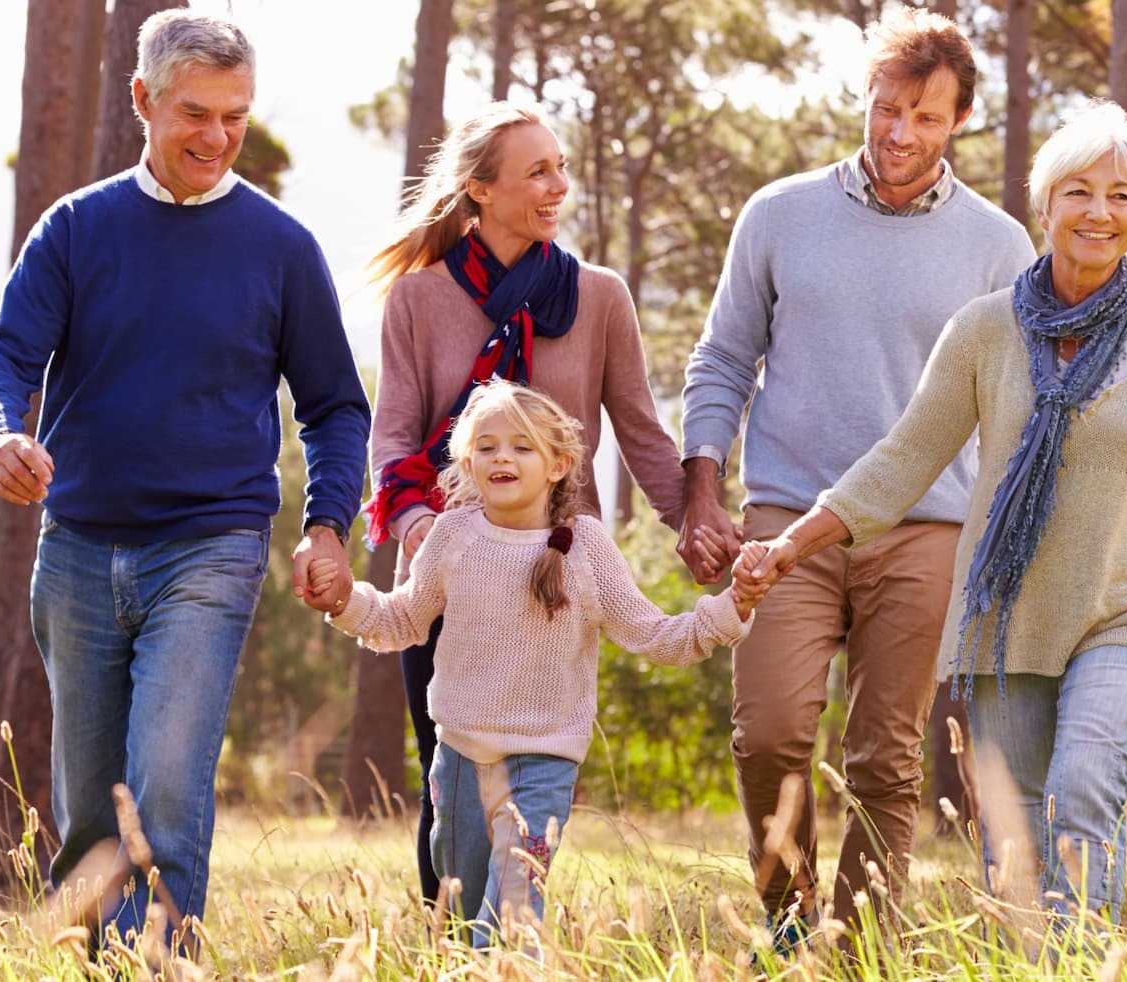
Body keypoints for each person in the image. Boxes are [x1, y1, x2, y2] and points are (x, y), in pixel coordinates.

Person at [741, 102, 1127, 925]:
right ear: (1046, 204)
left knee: (1083, 783)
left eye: (1121, 196)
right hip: (1010, 611)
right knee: (1016, 829)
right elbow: (902, 460)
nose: (1099, 212)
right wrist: (791, 542)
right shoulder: (985, 331)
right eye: (1078, 191)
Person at [0, 10, 369, 943]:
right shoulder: (75, 228)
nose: (219, 137)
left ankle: (161, 964)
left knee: (169, 788)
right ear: (142, 100)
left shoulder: (281, 248)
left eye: (235, 116)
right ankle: (93, 958)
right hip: (78, 550)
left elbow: (337, 406)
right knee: (92, 813)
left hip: (212, 545)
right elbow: (3, 359)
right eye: (196, 114)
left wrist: (327, 524)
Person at [677, 8, 1036, 941]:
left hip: (927, 527)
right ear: (865, 102)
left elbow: (1016, 406)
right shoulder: (780, 214)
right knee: (769, 733)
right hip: (785, 519)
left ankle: (860, 946)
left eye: (924, 116)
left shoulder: (999, 247)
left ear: (958, 120)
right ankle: (789, 927)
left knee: (885, 756)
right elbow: (722, 359)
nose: (899, 135)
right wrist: (702, 488)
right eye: (886, 110)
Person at [364, 102, 692, 902]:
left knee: (538, 774)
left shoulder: (601, 297)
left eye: (562, 167)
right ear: (479, 189)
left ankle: (510, 935)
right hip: (452, 565)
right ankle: (449, 940)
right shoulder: (417, 299)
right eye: (538, 171)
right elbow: (394, 436)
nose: (559, 186)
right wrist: (420, 535)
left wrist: (697, 522)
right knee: (445, 769)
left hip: (557, 570)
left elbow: (643, 430)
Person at [307, 382, 762, 945]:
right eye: (488, 446)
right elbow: (402, 620)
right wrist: (345, 600)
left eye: (522, 447)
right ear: (467, 461)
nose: (503, 458)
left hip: (542, 766)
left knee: (511, 923)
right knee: (466, 916)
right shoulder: (451, 537)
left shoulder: (585, 549)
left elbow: (657, 636)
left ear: (559, 464)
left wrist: (731, 606)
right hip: (460, 762)